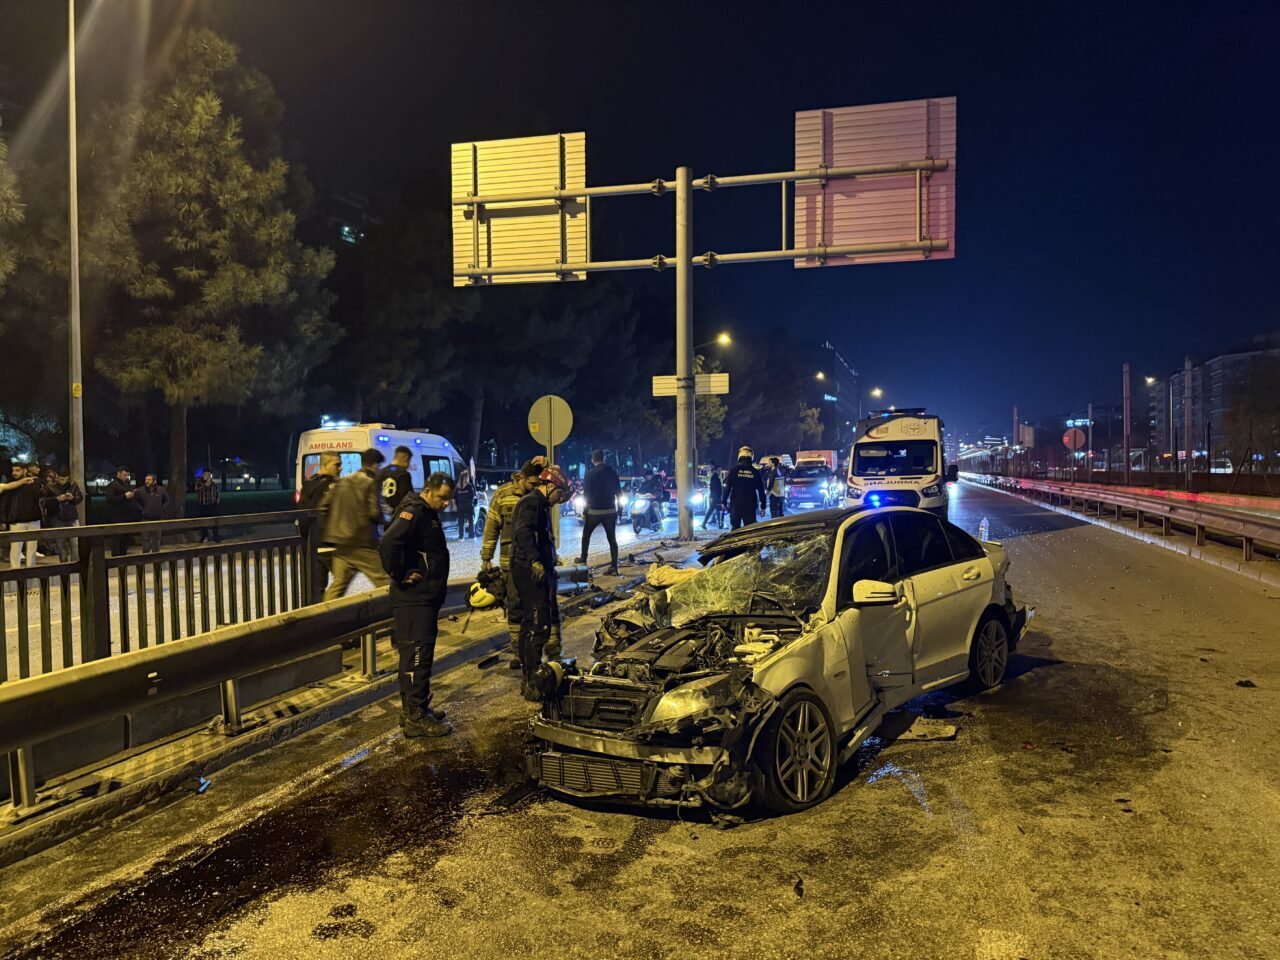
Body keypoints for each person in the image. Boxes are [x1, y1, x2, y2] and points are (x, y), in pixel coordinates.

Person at [379, 471, 456, 738]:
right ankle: (415, 717)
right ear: (428, 490)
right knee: (416, 656)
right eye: (442, 498)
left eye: (449, 500)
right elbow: (388, 542)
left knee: (419, 654)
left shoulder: (426, 511)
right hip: (413, 599)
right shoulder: (414, 511)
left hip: (423, 597)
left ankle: (414, 709)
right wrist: (399, 573)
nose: (446, 504)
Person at [511, 465, 571, 701]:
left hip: (536, 571)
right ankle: (532, 682)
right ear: (549, 486)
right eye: (559, 493)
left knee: (530, 627)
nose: (560, 498)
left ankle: (529, 679)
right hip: (529, 573)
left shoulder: (541, 505)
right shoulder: (531, 503)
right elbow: (523, 533)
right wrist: (536, 562)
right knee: (537, 627)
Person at [480, 458, 547, 669]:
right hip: (511, 564)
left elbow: (562, 489)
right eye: (532, 484)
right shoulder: (502, 495)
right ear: (522, 478)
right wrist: (486, 557)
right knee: (515, 608)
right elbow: (491, 526)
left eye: (539, 485)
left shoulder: (539, 497)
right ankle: (519, 652)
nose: (535, 489)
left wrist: (548, 464)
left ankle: (531, 651)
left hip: (535, 562)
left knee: (534, 609)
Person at [321, 448, 391, 601]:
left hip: (340, 542)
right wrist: (387, 520)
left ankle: (325, 618)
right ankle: (395, 615)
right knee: (384, 580)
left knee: (338, 584)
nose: (379, 470)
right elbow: (374, 512)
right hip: (361, 541)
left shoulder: (343, 481)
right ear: (374, 465)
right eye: (379, 466)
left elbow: (323, 506)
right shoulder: (370, 482)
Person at [298, 452, 341, 602]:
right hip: (330, 544)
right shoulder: (332, 486)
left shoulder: (308, 486)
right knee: (343, 579)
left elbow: (302, 517)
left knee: (317, 588)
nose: (340, 468)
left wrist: (305, 541)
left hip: (312, 544)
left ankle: (318, 619)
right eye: (336, 464)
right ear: (324, 465)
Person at [578, 450, 621, 574]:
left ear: (593, 460)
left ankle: (583, 560)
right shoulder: (613, 473)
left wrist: (585, 512)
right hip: (610, 511)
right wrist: (619, 511)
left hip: (594, 511)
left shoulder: (590, 474)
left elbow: (586, 495)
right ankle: (614, 566)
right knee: (612, 539)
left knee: (586, 536)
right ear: (604, 459)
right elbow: (619, 493)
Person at [4, 465, 43, 569]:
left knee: (32, 549)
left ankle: (31, 572)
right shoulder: (11, 485)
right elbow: (5, 503)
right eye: (13, 470)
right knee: (16, 548)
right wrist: (4, 520)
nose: (14, 473)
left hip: (34, 519)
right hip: (17, 521)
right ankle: (15, 572)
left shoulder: (36, 483)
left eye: (17, 470)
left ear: (25, 470)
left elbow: (43, 496)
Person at [41, 468, 83, 562]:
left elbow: (79, 497)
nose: (63, 481)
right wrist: (57, 499)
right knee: (60, 544)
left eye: (65, 479)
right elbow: (43, 502)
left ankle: (75, 564)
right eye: (61, 479)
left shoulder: (72, 485)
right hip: (57, 518)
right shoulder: (49, 486)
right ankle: (64, 564)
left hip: (71, 517)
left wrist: (72, 498)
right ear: (57, 477)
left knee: (75, 543)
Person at [723, 446, 766, 530]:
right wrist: (763, 506)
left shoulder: (734, 470)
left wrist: (724, 501)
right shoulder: (755, 472)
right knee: (749, 529)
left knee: (735, 528)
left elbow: (727, 487)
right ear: (751, 457)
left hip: (736, 504)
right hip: (750, 505)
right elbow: (761, 490)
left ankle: (735, 542)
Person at [105, 466, 142, 557]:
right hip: (117, 517)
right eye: (124, 475)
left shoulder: (126, 485)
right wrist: (124, 496)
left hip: (127, 516)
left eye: (127, 475)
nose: (126, 477)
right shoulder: (113, 485)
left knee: (126, 539)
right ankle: (116, 558)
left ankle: (123, 557)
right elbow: (110, 499)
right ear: (119, 473)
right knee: (117, 539)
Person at [375, 446, 416, 525]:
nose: (408, 465)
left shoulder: (380, 472)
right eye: (409, 461)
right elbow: (407, 499)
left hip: (381, 518)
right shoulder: (403, 474)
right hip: (396, 519)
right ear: (405, 458)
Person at [136, 473, 169, 553]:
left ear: (154, 481)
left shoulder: (161, 490)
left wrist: (162, 509)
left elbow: (167, 500)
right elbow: (136, 502)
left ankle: (156, 556)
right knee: (145, 538)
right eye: (146, 480)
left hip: (157, 518)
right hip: (145, 518)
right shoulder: (140, 491)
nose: (147, 481)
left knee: (157, 538)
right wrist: (142, 510)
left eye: (149, 480)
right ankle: (146, 556)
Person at [195, 473, 222, 543]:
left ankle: (216, 537)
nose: (207, 477)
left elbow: (217, 493)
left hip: (212, 505)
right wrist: (205, 486)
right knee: (204, 522)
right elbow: (197, 490)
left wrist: (216, 502)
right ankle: (204, 537)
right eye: (205, 475)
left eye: (209, 475)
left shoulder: (213, 484)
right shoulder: (199, 483)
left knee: (214, 522)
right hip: (203, 505)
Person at [454, 468, 476, 540]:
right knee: (471, 521)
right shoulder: (469, 485)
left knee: (461, 522)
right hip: (468, 505)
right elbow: (472, 495)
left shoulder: (458, 486)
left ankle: (461, 537)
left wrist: (457, 505)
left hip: (460, 506)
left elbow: (455, 496)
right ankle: (471, 535)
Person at [702, 462, 724, 530]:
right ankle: (720, 525)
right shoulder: (715, 478)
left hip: (715, 497)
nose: (719, 472)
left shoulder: (716, 478)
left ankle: (705, 524)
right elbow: (714, 488)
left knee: (714, 511)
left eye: (720, 470)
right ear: (715, 470)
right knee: (718, 511)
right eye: (718, 470)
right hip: (715, 498)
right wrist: (715, 497)